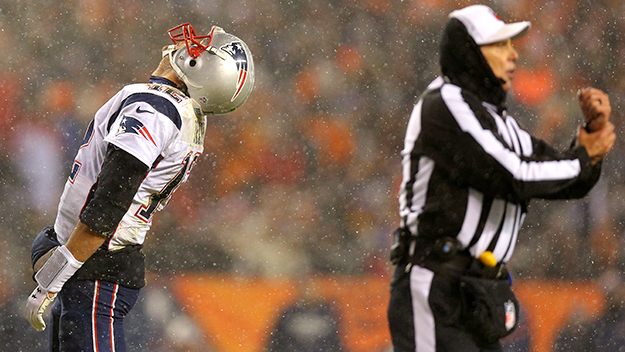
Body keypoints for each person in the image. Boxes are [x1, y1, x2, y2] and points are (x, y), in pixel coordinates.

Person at [387, 4, 615, 352]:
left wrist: (587, 144)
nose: (513, 54)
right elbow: (515, 175)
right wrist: (584, 157)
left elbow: (559, 176)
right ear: (471, 54)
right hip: (436, 287)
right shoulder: (444, 102)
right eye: (500, 45)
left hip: (477, 294)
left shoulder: (500, 122)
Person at [25, 23, 254, 351]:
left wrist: (53, 278)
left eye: (201, 49)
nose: (188, 47)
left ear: (207, 70)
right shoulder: (177, 112)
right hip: (93, 262)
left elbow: (110, 200)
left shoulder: (156, 109)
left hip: (95, 264)